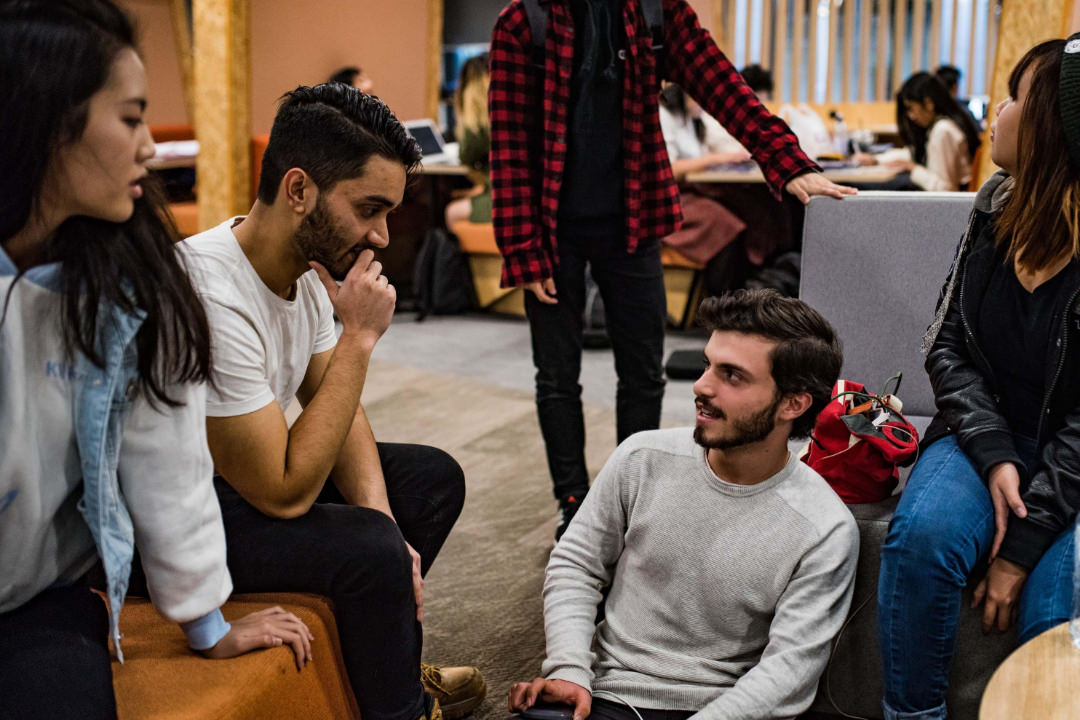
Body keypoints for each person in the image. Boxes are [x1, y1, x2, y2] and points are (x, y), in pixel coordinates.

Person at [0, 1, 313, 717]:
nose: (150, 146)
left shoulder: (131, 289)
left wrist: (208, 621)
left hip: (37, 603)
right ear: (49, 124)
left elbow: (167, 461)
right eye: (132, 118)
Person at [489, 0, 856, 538]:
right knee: (557, 375)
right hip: (551, 227)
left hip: (632, 221)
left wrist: (787, 161)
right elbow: (509, 144)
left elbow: (725, 89)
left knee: (642, 371)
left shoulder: (657, 15)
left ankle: (632, 494)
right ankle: (573, 499)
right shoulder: (525, 22)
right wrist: (524, 247)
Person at [180, 82, 485, 720]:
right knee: (369, 548)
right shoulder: (210, 291)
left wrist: (388, 523)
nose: (380, 236)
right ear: (299, 191)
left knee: (429, 480)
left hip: (231, 490)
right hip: (171, 523)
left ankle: (384, 664)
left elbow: (339, 415)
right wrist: (359, 339)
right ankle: (401, 707)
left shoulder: (308, 271)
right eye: (369, 209)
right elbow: (281, 490)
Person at [507, 289, 859, 720]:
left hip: (723, 709)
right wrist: (568, 668)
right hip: (606, 692)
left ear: (793, 403)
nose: (701, 385)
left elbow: (790, 670)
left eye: (732, 376)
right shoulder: (642, 457)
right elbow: (577, 564)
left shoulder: (824, 527)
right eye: (708, 364)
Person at [878, 36, 1080, 720]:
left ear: (1051, 122)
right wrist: (993, 455)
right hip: (984, 435)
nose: (996, 110)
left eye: (1016, 96)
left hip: (1073, 463)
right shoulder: (996, 203)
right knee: (920, 543)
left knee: (1055, 609)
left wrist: (1020, 549)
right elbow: (948, 345)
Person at [657, 82, 750, 294]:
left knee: (751, 208)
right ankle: (719, 299)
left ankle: (745, 290)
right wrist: (717, 158)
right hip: (668, 197)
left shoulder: (693, 120)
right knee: (724, 222)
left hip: (690, 191)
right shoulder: (664, 115)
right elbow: (669, 168)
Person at [852, 72, 981, 192]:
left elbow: (945, 188)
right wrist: (876, 159)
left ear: (929, 104)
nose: (911, 116)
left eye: (911, 108)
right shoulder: (943, 125)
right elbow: (912, 153)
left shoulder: (942, 131)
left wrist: (913, 168)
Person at [445, 52, 492, 228]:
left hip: (501, 198)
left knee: (451, 212)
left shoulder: (478, 122)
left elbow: (466, 155)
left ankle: (458, 257)